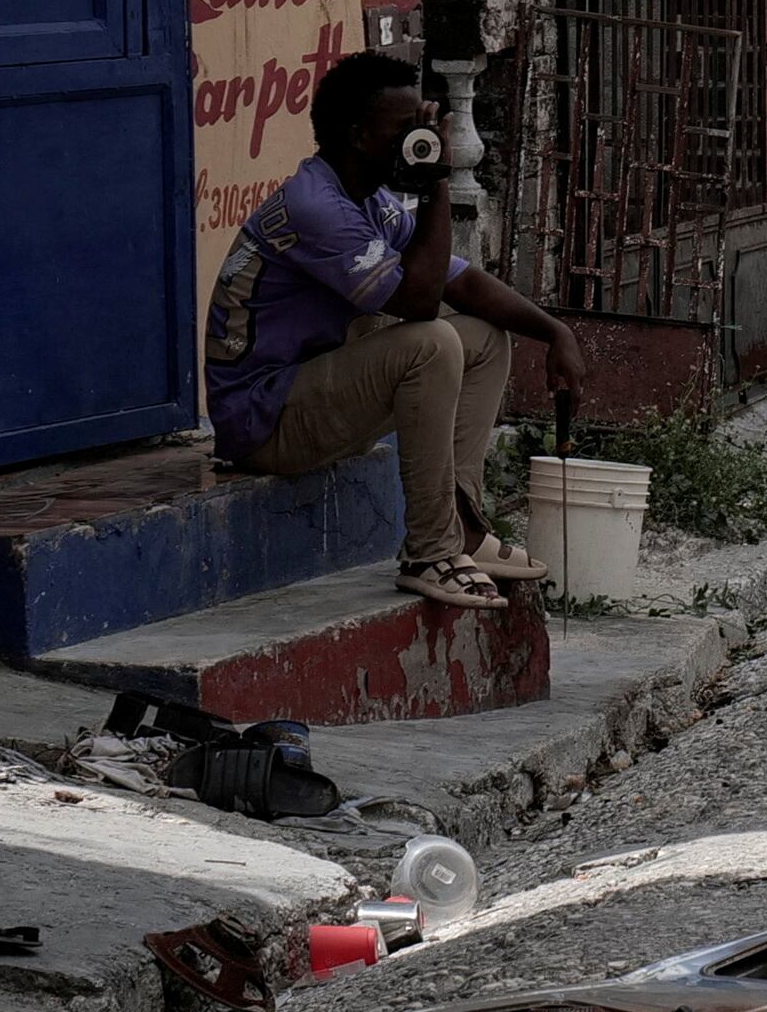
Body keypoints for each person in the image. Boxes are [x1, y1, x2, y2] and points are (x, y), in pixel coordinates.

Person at [207, 53, 578, 608]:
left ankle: (463, 529)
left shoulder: (369, 199)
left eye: (422, 125)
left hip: (310, 397)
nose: (420, 138)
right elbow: (421, 303)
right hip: (263, 422)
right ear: (357, 135)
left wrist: (555, 332)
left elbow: (463, 284)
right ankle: (431, 552)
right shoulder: (316, 207)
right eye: (404, 128)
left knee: (483, 338)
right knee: (430, 343)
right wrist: (436, 184)